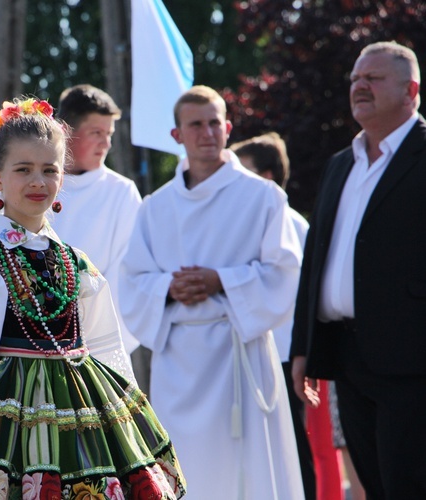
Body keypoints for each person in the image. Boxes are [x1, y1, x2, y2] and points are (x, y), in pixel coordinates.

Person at [0, 97, 185, 499]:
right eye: (23, 170)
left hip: (83, 403)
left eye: (49, 170)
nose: (38, 181)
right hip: (7, 413)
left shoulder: (77, 262)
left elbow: (104, 342)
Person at [120, 85, 304, 499]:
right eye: (196, 124)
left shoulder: (263, 196)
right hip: (179, 363)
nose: (207, 133)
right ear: (177, 136)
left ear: (228, 127)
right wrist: (169, 286)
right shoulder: (155, 207)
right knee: (186, 472)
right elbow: (130, 280)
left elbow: (285, 271)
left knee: (248, 475)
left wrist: (220, 280)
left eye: (214, 123)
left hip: (240, 351)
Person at [290, 40, 425, 499]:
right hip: (348, 358)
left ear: (411, 90)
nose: (359, 86)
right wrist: (304, 345)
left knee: (409, 483)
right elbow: (317, 260)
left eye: (373, 78)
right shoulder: (341, 164)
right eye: (354, 79)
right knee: (375, 485)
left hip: (411, 361)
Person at [230, 132, 324, 499]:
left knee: (293, 445)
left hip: (285, 352)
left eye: (245, 172)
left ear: (266, 177)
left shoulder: (292, 224)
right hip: (255, 345)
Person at [53, 84, 142, 356]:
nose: (106, 143)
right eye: (96, 133)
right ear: (66, 131)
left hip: (95, 345)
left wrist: (98, 348)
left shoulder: (122, 192)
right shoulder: (32, 184)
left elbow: (127, 275)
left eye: (109, 134)